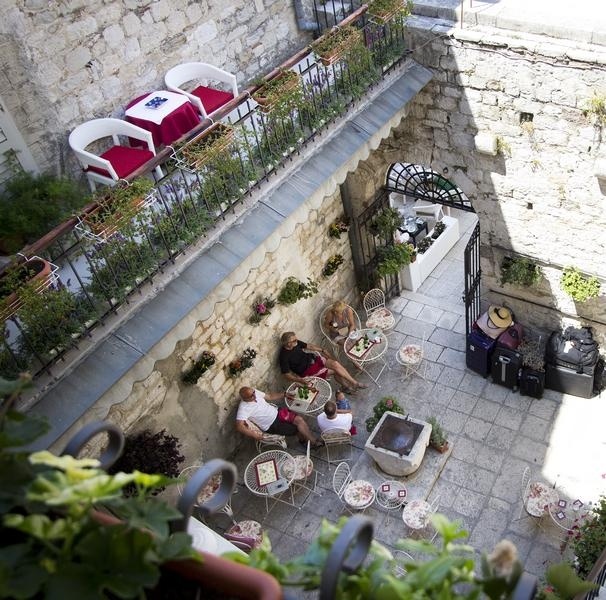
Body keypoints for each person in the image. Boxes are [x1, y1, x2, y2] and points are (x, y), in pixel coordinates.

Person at [278, 331, 367, 392]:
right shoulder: (284, 356)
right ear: (288, 343)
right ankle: (347, 386)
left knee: (335, 364)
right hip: (308, 371)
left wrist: (322, 349)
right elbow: (286, 374)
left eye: (296, 339)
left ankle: (354, 383)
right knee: (335, 371)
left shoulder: (295, 344)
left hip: (315, 360)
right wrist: (300, 380)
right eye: (294, 340)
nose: (296, 341)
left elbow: (309, 346)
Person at [235, 386, 322, 447]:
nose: (254, 395)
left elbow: (269, 396)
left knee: (299, 419)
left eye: (253, 392)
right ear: (244, 398)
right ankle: (304, 442)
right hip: (272, 424)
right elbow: (239, 426)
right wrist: (254, 435)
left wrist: (284, 394)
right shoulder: (243, 408)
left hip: (278, 412)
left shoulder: (255, 393)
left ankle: (313, 441)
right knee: (296, 429)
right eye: (251, 396)